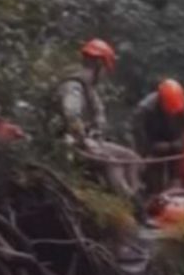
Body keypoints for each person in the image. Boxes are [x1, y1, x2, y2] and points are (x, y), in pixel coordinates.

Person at [54, 39, 141, 198]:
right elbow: (71, 115)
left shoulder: (89, 89)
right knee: (112, 162)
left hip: (89, 141)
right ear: (99, 65)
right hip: (68, 144)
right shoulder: (74, 86)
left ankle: (136, 198)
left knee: (132, 158)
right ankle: (126, 202)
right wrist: (84, 140)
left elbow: (97, 116)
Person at [131, 79, 184, 194]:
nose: (171, 116)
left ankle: (180, 196)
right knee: (153, 182)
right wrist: (147, 150)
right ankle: (152, 199)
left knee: (180, 179)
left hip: (179, 147)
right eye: (168, 112)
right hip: (154, 146)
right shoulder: (145, 109)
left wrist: (183, 143)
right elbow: (137, 132)